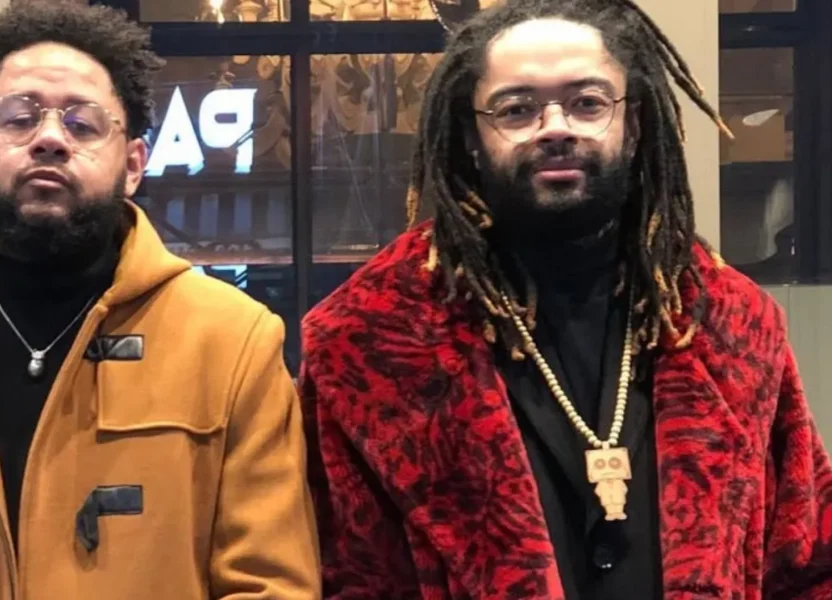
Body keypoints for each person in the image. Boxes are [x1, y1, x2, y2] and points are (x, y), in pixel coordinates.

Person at [299, 0, 832, 598]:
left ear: (633, 123)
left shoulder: (732, 323)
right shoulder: (365, 340)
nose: (555, 128)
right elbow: (343, 575)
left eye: (587, 103)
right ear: (471, 136)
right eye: (517, 109)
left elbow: (807, 559)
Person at [0, 3, 319, 598]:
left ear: (134, 165)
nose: (49, 139)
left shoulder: (231, 343)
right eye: (19, 118)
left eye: (83, 125)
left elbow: (270, 584)